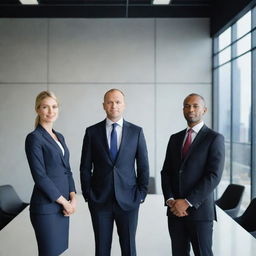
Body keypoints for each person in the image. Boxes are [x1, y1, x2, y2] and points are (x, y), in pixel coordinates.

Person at [80, 88, 149, 256]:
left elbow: (143, 165)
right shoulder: (92, 132)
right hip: (99, 200)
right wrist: (88, 193)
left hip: (129, 200)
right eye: (110, 102)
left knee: (129, 248)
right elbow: (85, 166)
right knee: (102, 249)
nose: (114, 106)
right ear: (104, 105)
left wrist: (141, 193)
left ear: (124, 105)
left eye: (118, 102)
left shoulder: (136, 131)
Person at [161, 93, 225, 256]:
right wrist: (170, 200)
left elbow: (214, 176)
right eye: (187, 106)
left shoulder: (214, 138)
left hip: (200, 212)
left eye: (195, 106)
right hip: (175, 211)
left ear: (204, 110)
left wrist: (188, 202)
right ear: (183, 110)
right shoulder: (175, 139)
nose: (191, 109)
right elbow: (166, 172)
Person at [25, 91, 76, 256]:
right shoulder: (34, 138)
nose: (50, 111)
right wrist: (65, 202)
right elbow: (40, 177)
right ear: (38, 109)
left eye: (54, 107)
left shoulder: (59, 136)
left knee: (59, 251)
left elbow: (67, 170)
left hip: (63, 207)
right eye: (45, 107)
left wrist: (73, 198)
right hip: (46, 208)